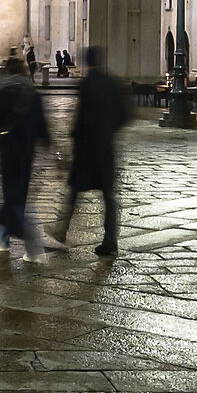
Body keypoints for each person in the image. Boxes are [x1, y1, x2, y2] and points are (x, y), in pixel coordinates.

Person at [0, 57, 50, 259]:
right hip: (27, 153)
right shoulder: (33, 94)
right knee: (17, 194)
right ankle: (0, 237)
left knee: (12, 196)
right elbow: (42, 124)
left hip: (8, 151)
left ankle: (33, 243)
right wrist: (47, 142)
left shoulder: (5, 92)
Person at [53, 45, 132, 257]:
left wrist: (75, 136)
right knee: (108, 196)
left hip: (87, 149)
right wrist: (109, 131)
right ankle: (111, 240)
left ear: (88, 62)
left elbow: (82, 117)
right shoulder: (112, 84)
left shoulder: (87, 85)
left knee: (75, 190)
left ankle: (62, 230)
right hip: (105, 148)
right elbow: (126, 114)